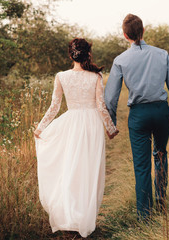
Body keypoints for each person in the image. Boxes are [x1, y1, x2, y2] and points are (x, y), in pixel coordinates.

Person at [105, 14, 169, 220]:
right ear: (143, 31)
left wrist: (111, 124)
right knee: (160, 154)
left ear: (125, 35)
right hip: (161, 112)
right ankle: (161, 202)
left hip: (139, 115)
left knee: (141, 165)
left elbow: (111, 98)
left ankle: (144, 216)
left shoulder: (120, 60)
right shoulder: (162, 54)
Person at [34, 38, 119, 238]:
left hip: (72, 123)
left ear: (71, 54)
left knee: (70, 168)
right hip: (92, 125)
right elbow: (100, 106)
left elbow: (54, 106)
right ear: (88, 54)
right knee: (88, 171)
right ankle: (82, 217)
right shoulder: (96, 76)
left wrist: (40, 127)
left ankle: (71, 217)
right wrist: (110, 128)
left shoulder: (61, 76)